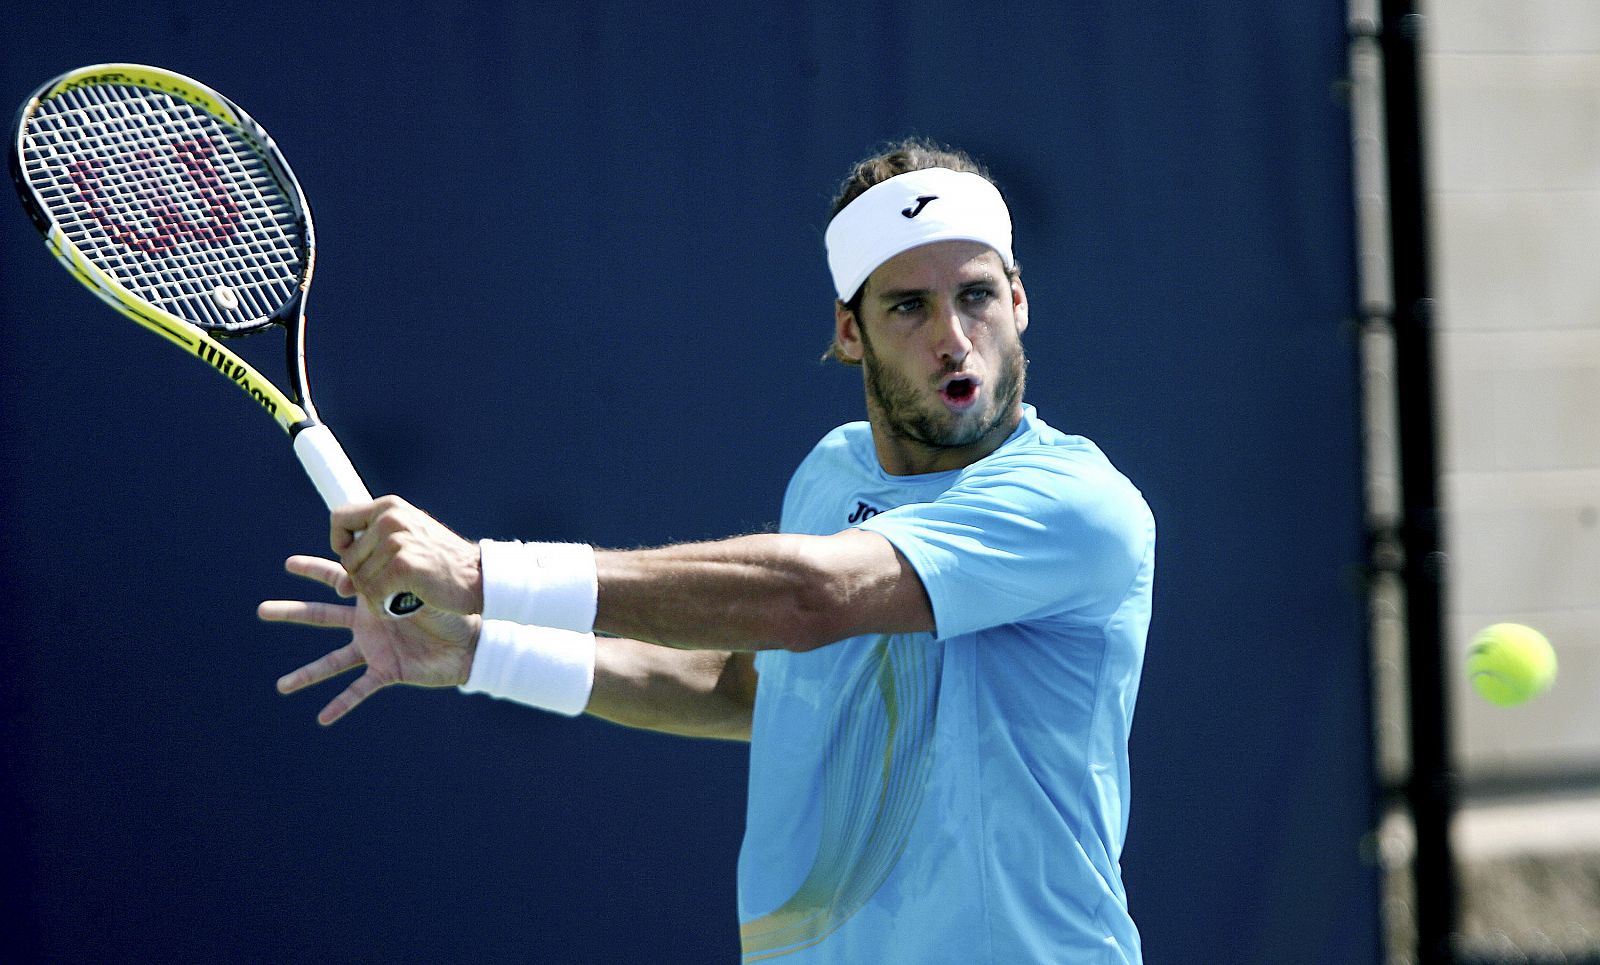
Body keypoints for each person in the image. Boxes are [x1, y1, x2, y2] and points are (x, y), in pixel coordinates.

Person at [261, 138, 1156, 964]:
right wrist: (485, 647)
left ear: (1019, 301)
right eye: (909, 306)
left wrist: (481, 573)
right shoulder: (830, 475)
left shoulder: (1078, 505)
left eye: (977, 295)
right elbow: (742, 690)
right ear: (851, 331)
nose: (955, 338)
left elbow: (810, 600)